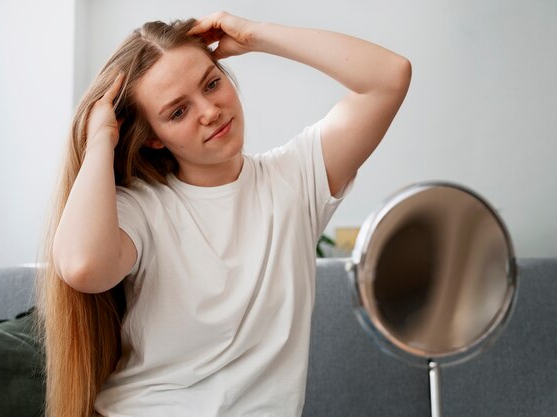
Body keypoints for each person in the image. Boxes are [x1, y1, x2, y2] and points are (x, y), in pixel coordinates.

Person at [38, 11, 411, 417]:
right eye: (177, 112)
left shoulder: (297, 180)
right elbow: (81, 266)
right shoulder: (142, 209)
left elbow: (389, 77)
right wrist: (99, 141)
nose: (210, 111)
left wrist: (256, 35)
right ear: (153, 140)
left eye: (212, 84)